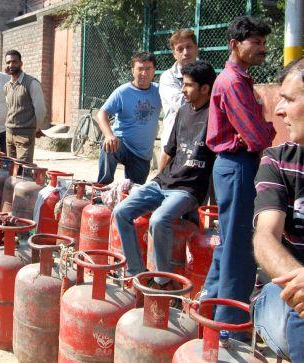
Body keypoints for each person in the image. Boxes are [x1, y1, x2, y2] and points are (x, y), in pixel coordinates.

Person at [201, 16, 276, 333]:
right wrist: (264, 130)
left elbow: (255, 135)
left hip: (235, 166)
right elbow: (258, 137)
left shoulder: (240, 80)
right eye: (255, 43)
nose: (262, 48)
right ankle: (230, 328)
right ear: (234, 45)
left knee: (227, 244)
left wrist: (256, 133)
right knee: (240, 248)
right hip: (237, 166)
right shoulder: (232, 82)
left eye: (263, 42)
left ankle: (211, 308)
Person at [113, 60, 216, 282]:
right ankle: (137, 273)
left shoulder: (215, 117)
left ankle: (162, 282)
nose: (183, 90)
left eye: (188, 85)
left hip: (188, 190)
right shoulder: (183, 111)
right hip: (164, 182)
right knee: (121, 212)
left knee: (159, 220)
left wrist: (212, 207)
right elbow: (169, 150)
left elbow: (218, 164)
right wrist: (155, 181)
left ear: (205, 89)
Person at [252, 57, 303, 363]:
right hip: (282, 292)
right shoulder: (277, 161)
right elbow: (264, 238)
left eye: (288, 99)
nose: (279, 109)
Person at [96, 52, 162, 185]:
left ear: (154, 70)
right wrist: (109, 135)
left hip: (142, 154)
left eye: (148, 69)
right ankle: (101, 187)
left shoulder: (159, 91)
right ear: (133, 71)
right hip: (122, 144)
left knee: (134, 193)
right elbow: (101, 113)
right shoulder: (123, 92)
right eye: (140, 69)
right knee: (108, 146)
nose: (144, 73)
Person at [158, 29, 199, 167]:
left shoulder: (207, 72)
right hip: (173, 144)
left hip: (199, 142)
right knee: (162, 184)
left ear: (196, 48)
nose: (186, 52)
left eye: (189, 47)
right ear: (174, 53)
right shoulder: (168, 77)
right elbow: (182, 103)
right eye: (180, 49)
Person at [3, 49, 47, 162]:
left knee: (23, 171)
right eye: (8, 62)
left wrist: (36, 129)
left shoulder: (32, 83)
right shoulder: (7, 86)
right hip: (9, 133)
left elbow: (41, 110)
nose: (11, 65)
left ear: (21, 63)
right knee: (10, 169)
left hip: (25, 134)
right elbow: (10, 108)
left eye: (14, 62)